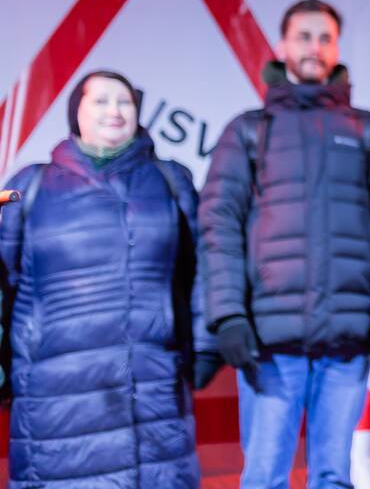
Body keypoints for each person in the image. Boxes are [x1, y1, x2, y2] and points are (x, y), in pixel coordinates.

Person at [199, 0, 370, 489]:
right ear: (282, 46)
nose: (314, 47)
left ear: (337, 48)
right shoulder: (249, 130)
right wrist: (228, 315)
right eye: (304, 36)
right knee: (264, 478)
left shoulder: (367, 130)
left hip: (347, 339)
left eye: (325, 38)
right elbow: (218, 225)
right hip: (269, 343)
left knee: (333, 477)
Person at [0, 70, 218, 489]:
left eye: (125, 102)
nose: (114, 111)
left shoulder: (169, 181)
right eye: (100, 101)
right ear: (75, 112)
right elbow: (2, 281)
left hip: (151, 390)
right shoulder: (31, 186)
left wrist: (206, 348)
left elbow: (202, 270)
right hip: (55, 397)